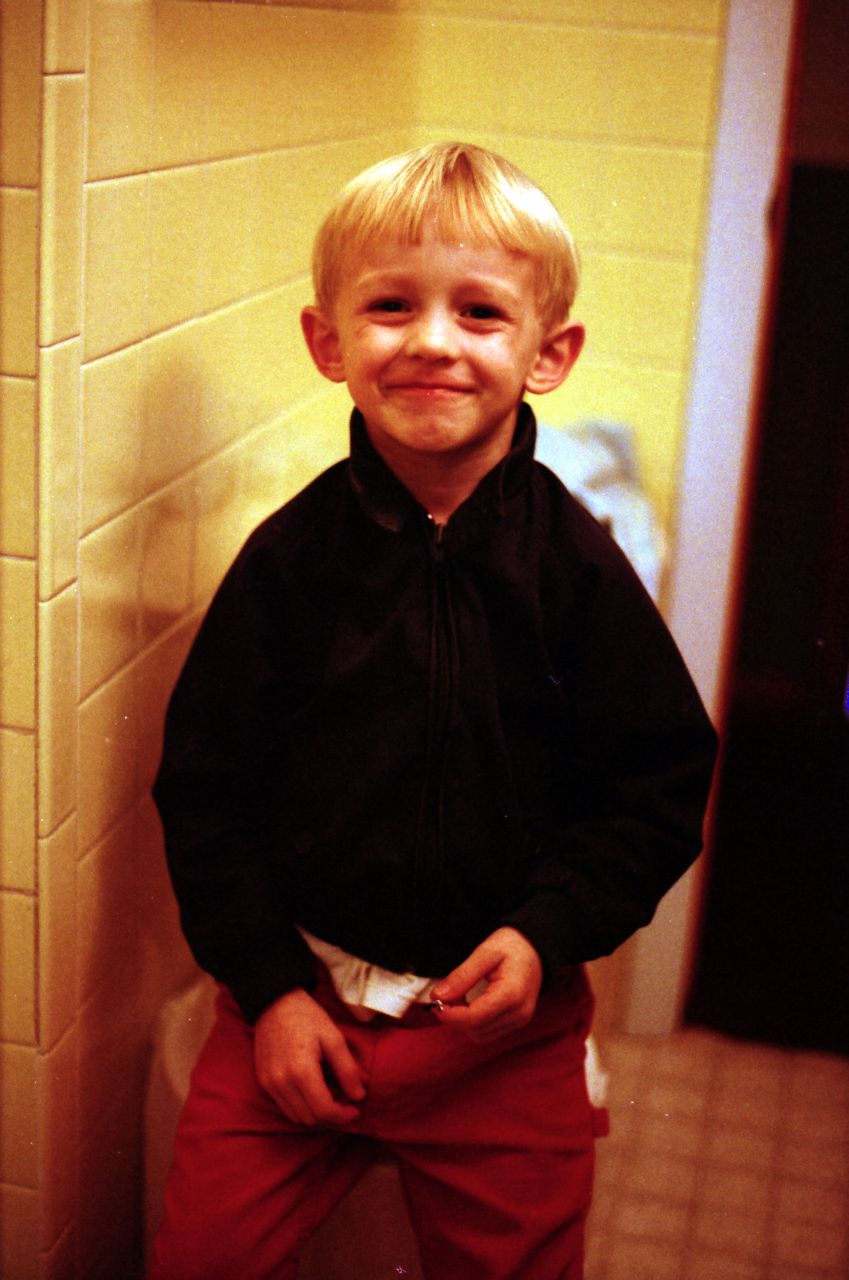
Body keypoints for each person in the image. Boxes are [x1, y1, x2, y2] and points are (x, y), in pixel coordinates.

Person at [150, 142, 717, 1280]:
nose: (432, 341)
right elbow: (204, 793)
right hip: (298, 1004)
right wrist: (270, 990)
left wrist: (546, 930)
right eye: (391, 305)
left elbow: (658, 786)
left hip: (503, 1036)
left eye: (480, 312)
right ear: (328, 342)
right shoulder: (288, 564)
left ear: (548, 353)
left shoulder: (578, 572)